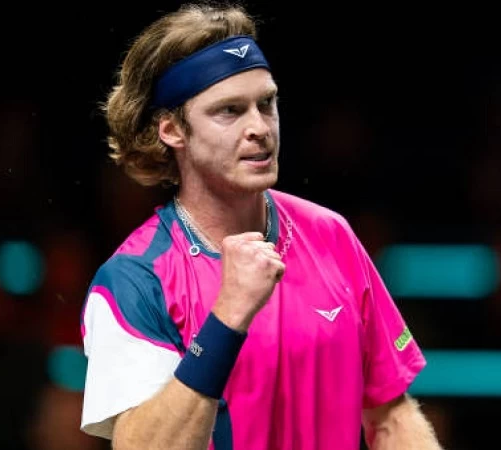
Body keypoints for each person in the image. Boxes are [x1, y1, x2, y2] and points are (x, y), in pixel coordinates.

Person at [79, 2, 443, 449]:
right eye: (229, 110)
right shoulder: (134, 279)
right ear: (171, 130)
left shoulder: (331, 234)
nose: (260, 128)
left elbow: (391, 418)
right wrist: (226, 318)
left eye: (266, 104)